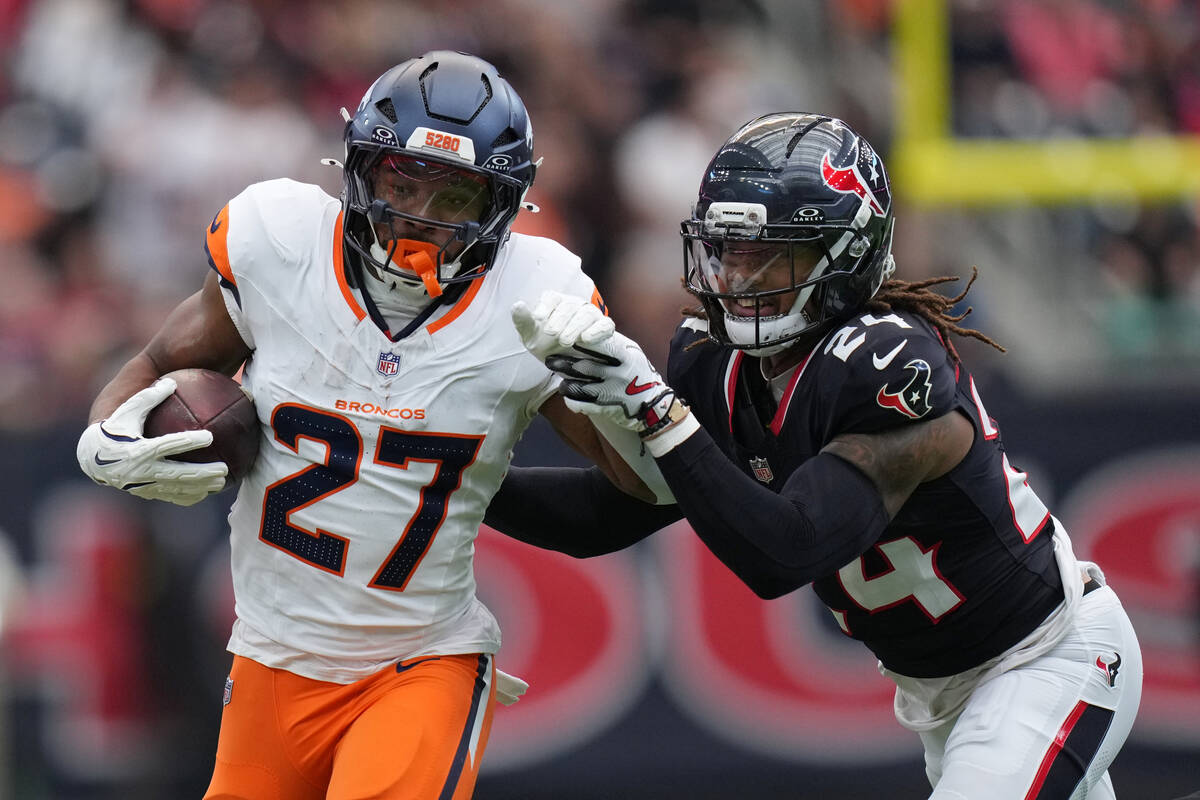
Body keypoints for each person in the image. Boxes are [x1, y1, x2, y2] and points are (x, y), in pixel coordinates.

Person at [487, 113, 1143, 798]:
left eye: (773, 255)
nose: (740, 277)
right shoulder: (717, 363)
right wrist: (459, 479)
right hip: (944, 694)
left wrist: (657, 413)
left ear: (846, 255)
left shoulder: (887, 362)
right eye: (730, 250)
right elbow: (612, 513)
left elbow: (788, 551)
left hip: (1043, 659)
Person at [74, 50, 673, 800]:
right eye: (402, 182)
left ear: (500, 206)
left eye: (454, 195)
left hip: (419, 660)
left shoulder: (536, 299)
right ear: (360, 170)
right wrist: (104, 438)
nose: (419, 215)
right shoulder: (278, 244)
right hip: (268, 654)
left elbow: (647, 485)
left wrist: (630, 397)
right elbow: (158, 364)